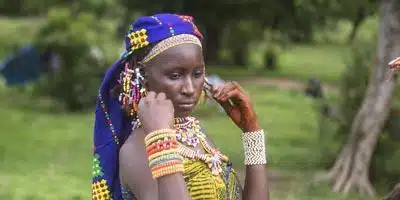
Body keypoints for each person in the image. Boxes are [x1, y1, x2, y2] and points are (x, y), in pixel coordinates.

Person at [92, 13, 269, 200]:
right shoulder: (137, 149)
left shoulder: (196, 134)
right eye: (175, 76)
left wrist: (252, 132)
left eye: (197, 73)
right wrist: (161, 139)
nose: (190, 89)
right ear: (142, 74)